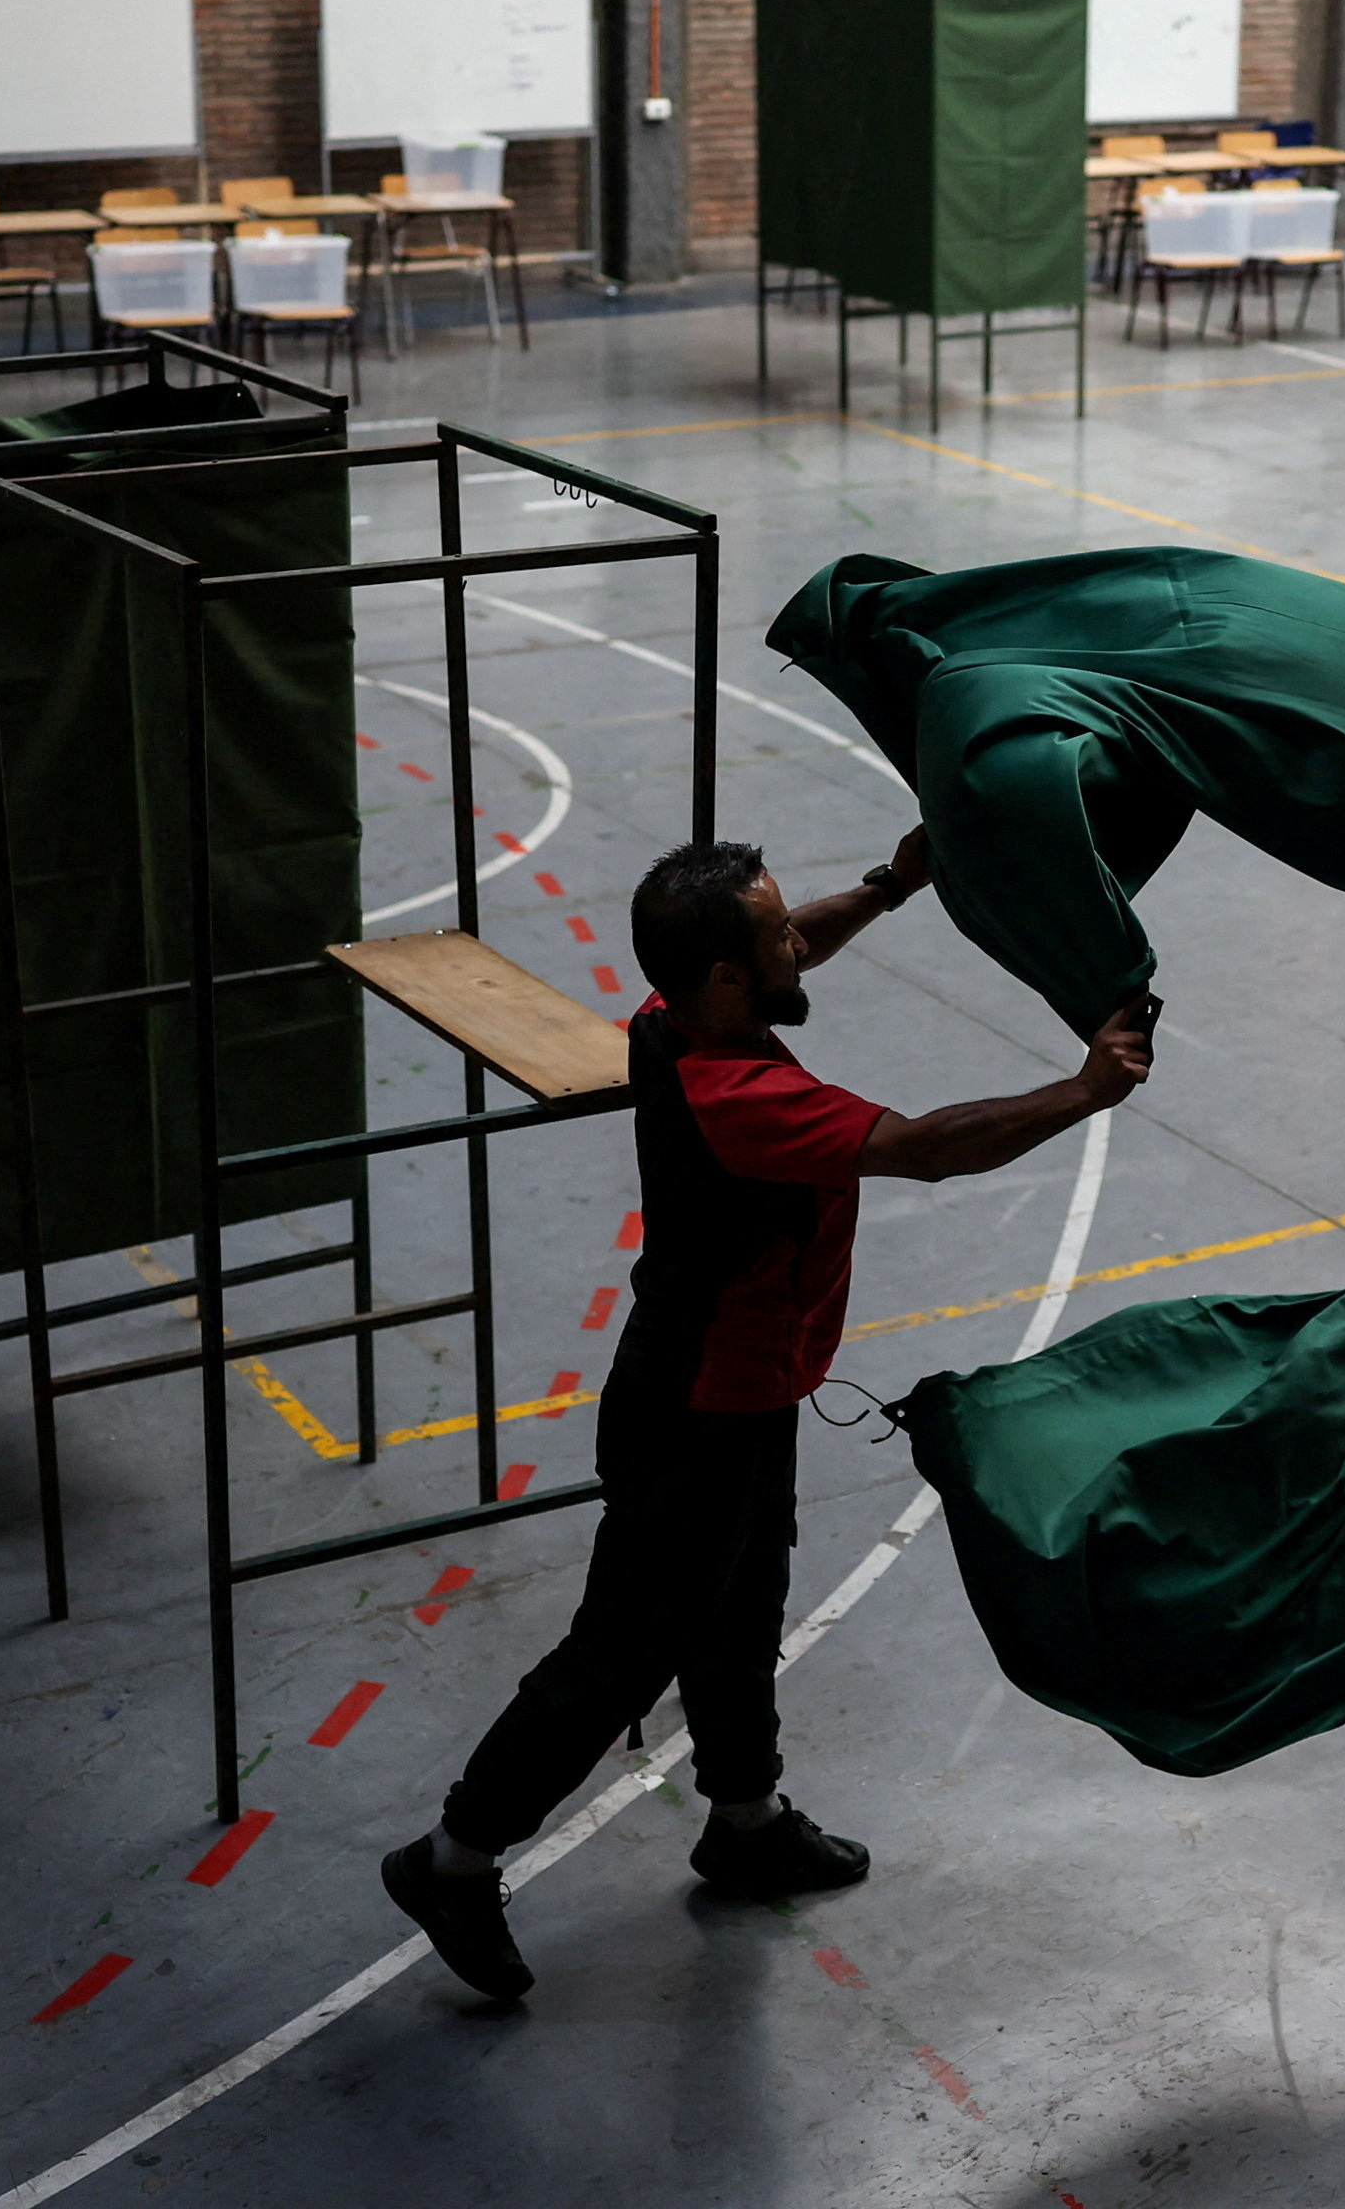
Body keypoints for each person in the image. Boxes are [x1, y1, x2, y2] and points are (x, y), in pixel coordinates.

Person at [380, 830, 1154, 1999]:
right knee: (619, 1653)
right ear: (731, 982)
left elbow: (793, 956)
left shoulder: (675, 1012)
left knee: (742, 1610)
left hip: (742, 1390)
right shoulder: (741, 1095)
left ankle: (741, 1822)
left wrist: (894, 886)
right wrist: (1082, 1090)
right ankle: (451, 1857)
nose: (804, 941)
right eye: (779, 934)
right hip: (692, 1412)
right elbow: (931, 1149)